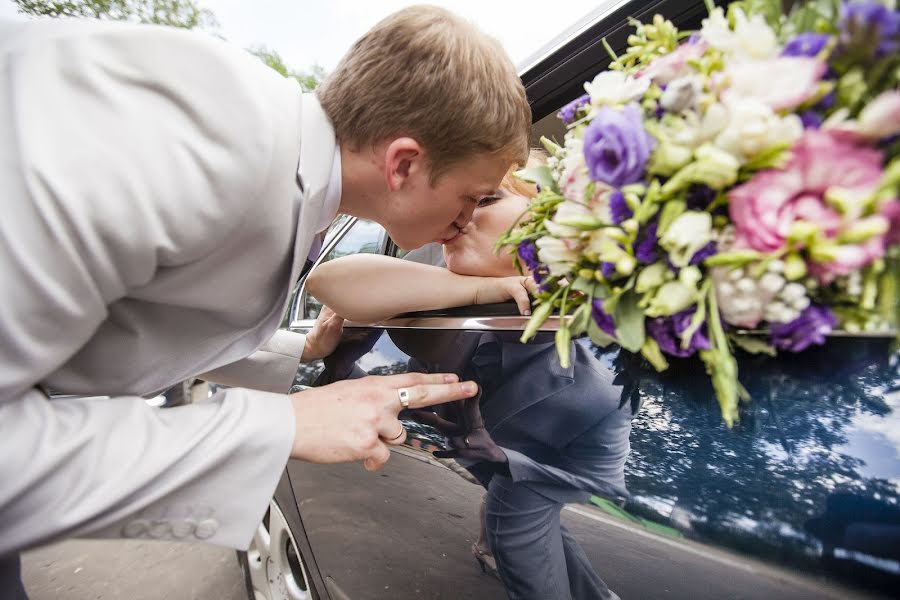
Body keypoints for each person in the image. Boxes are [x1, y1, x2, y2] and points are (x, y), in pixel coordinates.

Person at [0, 4, 532, 594]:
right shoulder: (193, 141)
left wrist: (299, 352)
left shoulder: (279, 163)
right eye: (471, 196)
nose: (464, 220)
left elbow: (152, 307)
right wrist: (281, 427)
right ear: (403, 163)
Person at [307, 154, 633, 600]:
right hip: (493, 450)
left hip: (561, 456)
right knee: (535, 529)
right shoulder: (442, 298)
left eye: (485, 199)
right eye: (451, 213)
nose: (455, 222)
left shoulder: (596, 347)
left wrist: (506, 462)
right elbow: (329, 280)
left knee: (517, 522)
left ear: (559, 219)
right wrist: (484, 288)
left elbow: (599, 455)